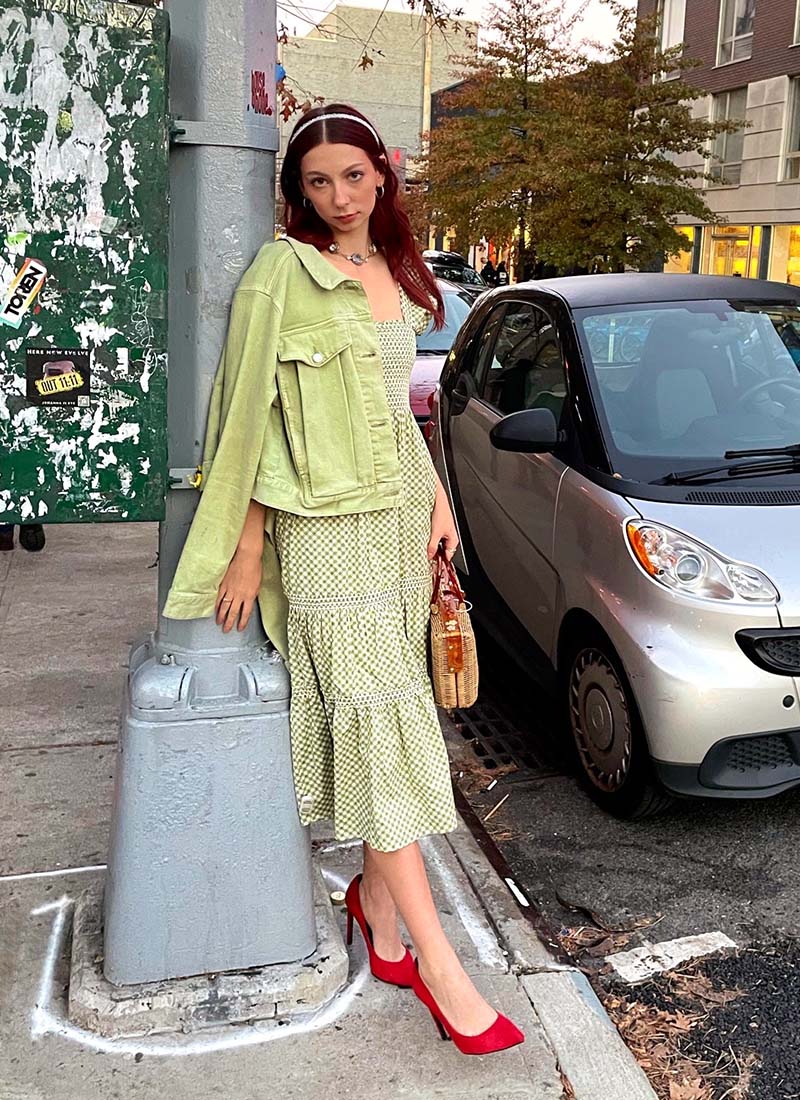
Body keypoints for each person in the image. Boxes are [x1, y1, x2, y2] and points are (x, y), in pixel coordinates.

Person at [162, 103, 523, 1057]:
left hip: (401, 520)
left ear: (382, 176)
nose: (338, 197)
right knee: (379, 734)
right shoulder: (282, 274)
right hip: (322, 534)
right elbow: (248, 420)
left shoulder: (398, 277)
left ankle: (380, 912)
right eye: (317, 182)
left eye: (353, 178)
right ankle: (444, 973)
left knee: (395, 719)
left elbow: (396, 413)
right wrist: (247, 546)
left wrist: (439, 498)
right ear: (297, 191)